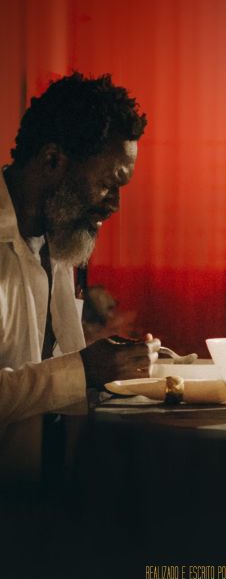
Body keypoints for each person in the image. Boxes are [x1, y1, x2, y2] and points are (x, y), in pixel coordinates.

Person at [1, 72, 159, 427]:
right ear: (52, 160)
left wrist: (111, 365)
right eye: (107, 184)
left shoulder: (56, 237)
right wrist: (83, 370)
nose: (115, 205)